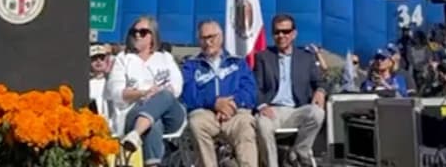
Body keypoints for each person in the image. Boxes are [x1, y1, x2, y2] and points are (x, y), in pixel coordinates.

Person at [105, 16, 184, 166]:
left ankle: (136, 133)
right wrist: (143, 93)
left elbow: (177, 87)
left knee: (165, 95)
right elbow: (116, 93)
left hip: (169, 115)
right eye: (134, 32)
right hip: (133, 113)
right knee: (154, 122)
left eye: (142, 32)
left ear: (153, 35)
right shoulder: (123, 59)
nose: (137, 35)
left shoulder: (165, 58)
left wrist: (156, 94)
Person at [181, 21, 258, 167]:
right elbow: (188, 95)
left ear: (221, 37)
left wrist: (231, 104)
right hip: (206, 113)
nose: (208, 42)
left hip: (234, 113)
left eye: (212, 37)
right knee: (196, 123)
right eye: (203, 38)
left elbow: (250, 91)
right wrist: (214, 102)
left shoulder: (237, 62)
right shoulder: (191, 65)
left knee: (245, 125)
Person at [253, 15, 324, 167]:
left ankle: (298, 152)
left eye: (285, 31)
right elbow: (255, 87)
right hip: (272, 110)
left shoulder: (306, 58)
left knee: (318, 113)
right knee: (262, 124)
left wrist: (320, 90)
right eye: (277, 32)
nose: (281, 35)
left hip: (297, 110)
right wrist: (262, 105)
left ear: (294, 34)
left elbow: (321, 81)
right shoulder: (263, 57)